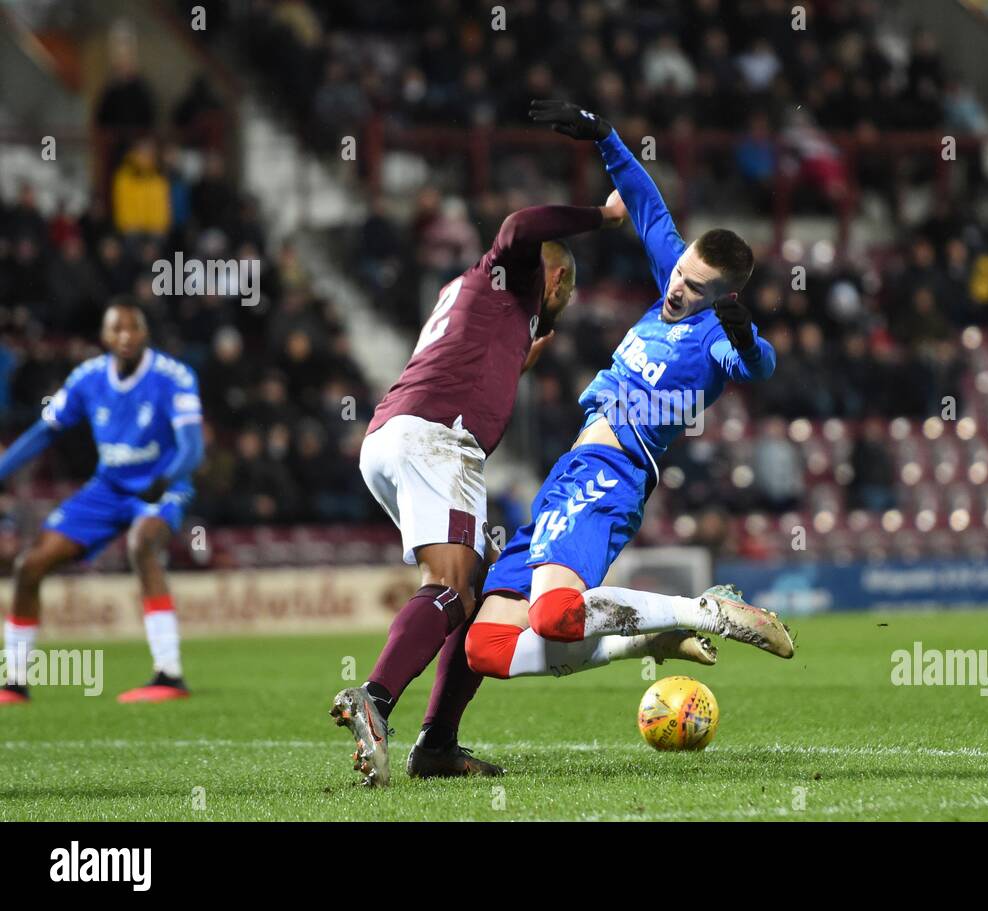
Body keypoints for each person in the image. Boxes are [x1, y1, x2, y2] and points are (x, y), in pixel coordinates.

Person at [449, 101, 793, 698]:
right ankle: (647, 639)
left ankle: (703, 611)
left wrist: (742, 335)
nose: (678, 288)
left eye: (694, 286)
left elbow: (757, 364)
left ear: (724, 297)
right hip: (572, 467)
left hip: (616, 471)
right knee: (487, 647)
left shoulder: (715, 336)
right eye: (680, 272)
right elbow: (646, 205)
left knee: (555, 615)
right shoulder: (674, 278)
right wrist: (606, 136)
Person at [330, 196, 625, 787]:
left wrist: (517, 359)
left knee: (484, 588)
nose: (555, 312)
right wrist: (604, 216)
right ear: (556, 274)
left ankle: (437, 743)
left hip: (395, 435)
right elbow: (520, 226)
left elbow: (465, 357)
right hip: (438, 439)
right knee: (454, 590)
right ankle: (375, 700)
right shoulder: (515, 271)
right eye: (559, 297)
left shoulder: (471, 296)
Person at [0, 303, 205, 704]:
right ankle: (14, 681)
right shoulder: (87, 378)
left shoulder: (173, 377)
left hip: (160, 484)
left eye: (134, 328)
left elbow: (193, 448)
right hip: (106, 488)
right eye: (117, 329)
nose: (126, 336)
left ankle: (169, 674)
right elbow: (45, 431)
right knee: (30, 564)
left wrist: (163, 480)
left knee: (142, 544)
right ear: (105, 336)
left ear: (145, 333)